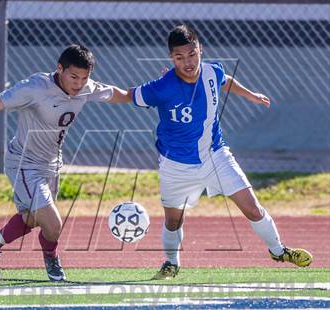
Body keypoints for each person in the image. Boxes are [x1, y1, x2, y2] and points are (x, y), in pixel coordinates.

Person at [0, 44, 130, 281]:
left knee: (35, 219)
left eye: (84, 78)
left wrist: (153, 94)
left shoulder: (86, 87)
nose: (78, 83)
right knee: (53, 224)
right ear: (59, 68)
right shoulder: (35, 87)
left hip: (52, 164)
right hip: (24, 163)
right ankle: (52, 258)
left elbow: (119, 94)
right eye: (73, 76)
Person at [131, 25, 313, 279]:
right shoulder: (162, 86)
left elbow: (224, 80)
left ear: (200, 50)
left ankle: (279, 250)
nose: (188, 62)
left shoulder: (211, 71)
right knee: (174, 220)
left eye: (192, 54)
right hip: (176, 164)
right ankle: (171, 262)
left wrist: (250, 95)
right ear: (171, 58)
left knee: (252, 207)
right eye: (180, 57)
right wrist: (92, 91)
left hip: (216, 155)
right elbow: (128, 95)